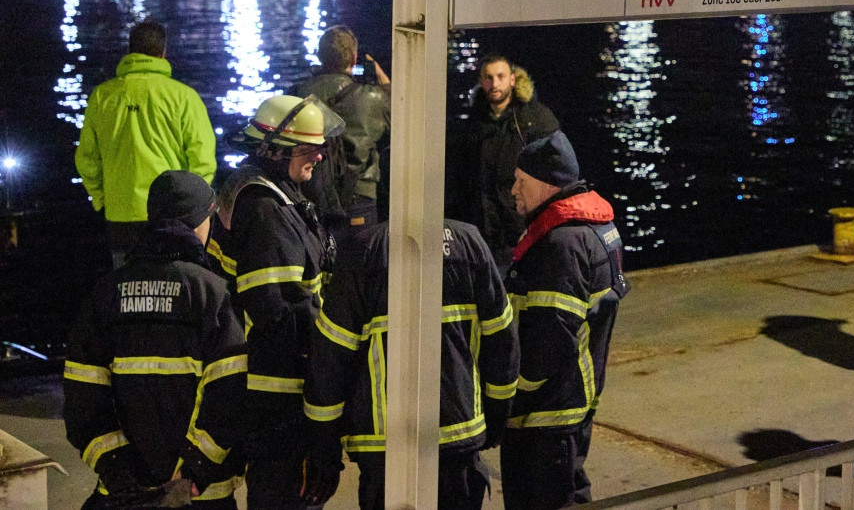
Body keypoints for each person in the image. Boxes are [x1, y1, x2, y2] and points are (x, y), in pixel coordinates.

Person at [300, 219, 519, 510]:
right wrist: (495, 416)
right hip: (459, 443)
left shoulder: (365, 249)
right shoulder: (470, 243)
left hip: (385, 452)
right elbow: (502, 340)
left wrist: (325, 450)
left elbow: (330, 359)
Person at [64, 170, 247, 508]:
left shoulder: (105, 293)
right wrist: (196, 468)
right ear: (199, 221)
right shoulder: (212, 292)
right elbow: (229, 394)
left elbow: (83, 396)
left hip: (123, 493)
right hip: (200, 494)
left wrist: (115, 467)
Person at [213, 94, 343, 508]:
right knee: (287, 494)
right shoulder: (266, 210)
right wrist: (328, 361)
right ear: (277, 149)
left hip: (279, 385)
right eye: (310, 149)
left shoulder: (271, 192)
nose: (320, 157)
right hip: (280, 392)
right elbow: (279, 312)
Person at [501, 131, 629, 509]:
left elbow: (551, 335)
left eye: (520, 181)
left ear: (544, 185)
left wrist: (512, 389)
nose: (513, 190)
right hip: (573, 400)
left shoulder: (561, 245)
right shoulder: (596, 229)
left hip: (547, 412)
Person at [75, 19, 217, 268]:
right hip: (173, 215)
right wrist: (193, 210)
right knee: (177, 288)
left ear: (130, 52)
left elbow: (87, 159)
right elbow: (202, 160)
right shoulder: (184, 97)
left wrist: (102, 198)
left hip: (121, 215)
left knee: (129, 291)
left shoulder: (102, 96)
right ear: (163, 53)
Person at [446, 54, 559, 268]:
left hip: (521, 235)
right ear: (481, 81)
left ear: (513, 80)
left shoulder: (535, 120)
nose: (494, 83)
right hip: (482, 237)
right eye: (488, 78)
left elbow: (557, 173)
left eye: (501, 76)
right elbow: (459, 181)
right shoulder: (472, 125)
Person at [294, 25, 391, 247]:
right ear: (355, 58)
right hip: (360, 196)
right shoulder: (374, 98)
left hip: (311, 194)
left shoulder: (298, 94)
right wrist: (381, 77)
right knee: (360, 271)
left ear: (319, 56)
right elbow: (402, 113)